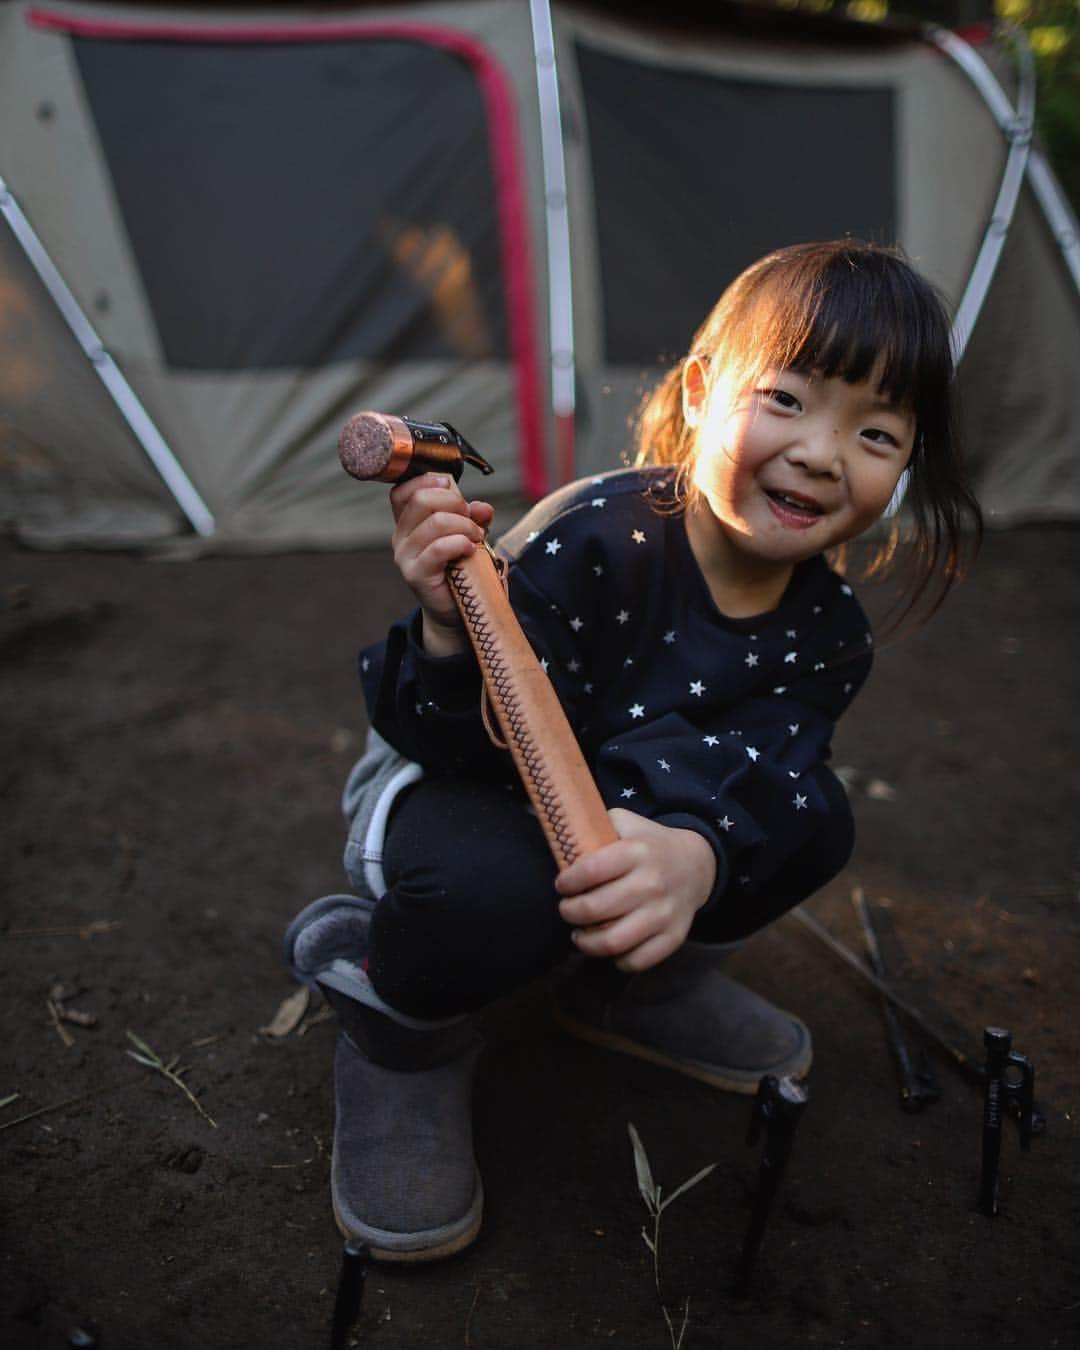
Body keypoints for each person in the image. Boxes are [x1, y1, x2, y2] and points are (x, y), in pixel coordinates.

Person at [284, 239, 982, 1262]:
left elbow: (768, 771)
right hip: (472, 783)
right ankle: (404, 1031)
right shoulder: (597, 539)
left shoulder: (829, 632)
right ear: (702, 393)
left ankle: (628, 990)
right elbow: (454, 735)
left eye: (875, 432)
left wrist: (694, 855)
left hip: (625, 831)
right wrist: (446, 631)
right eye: (787, 400)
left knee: (815, 815)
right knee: (485, 892)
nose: (824, 453)